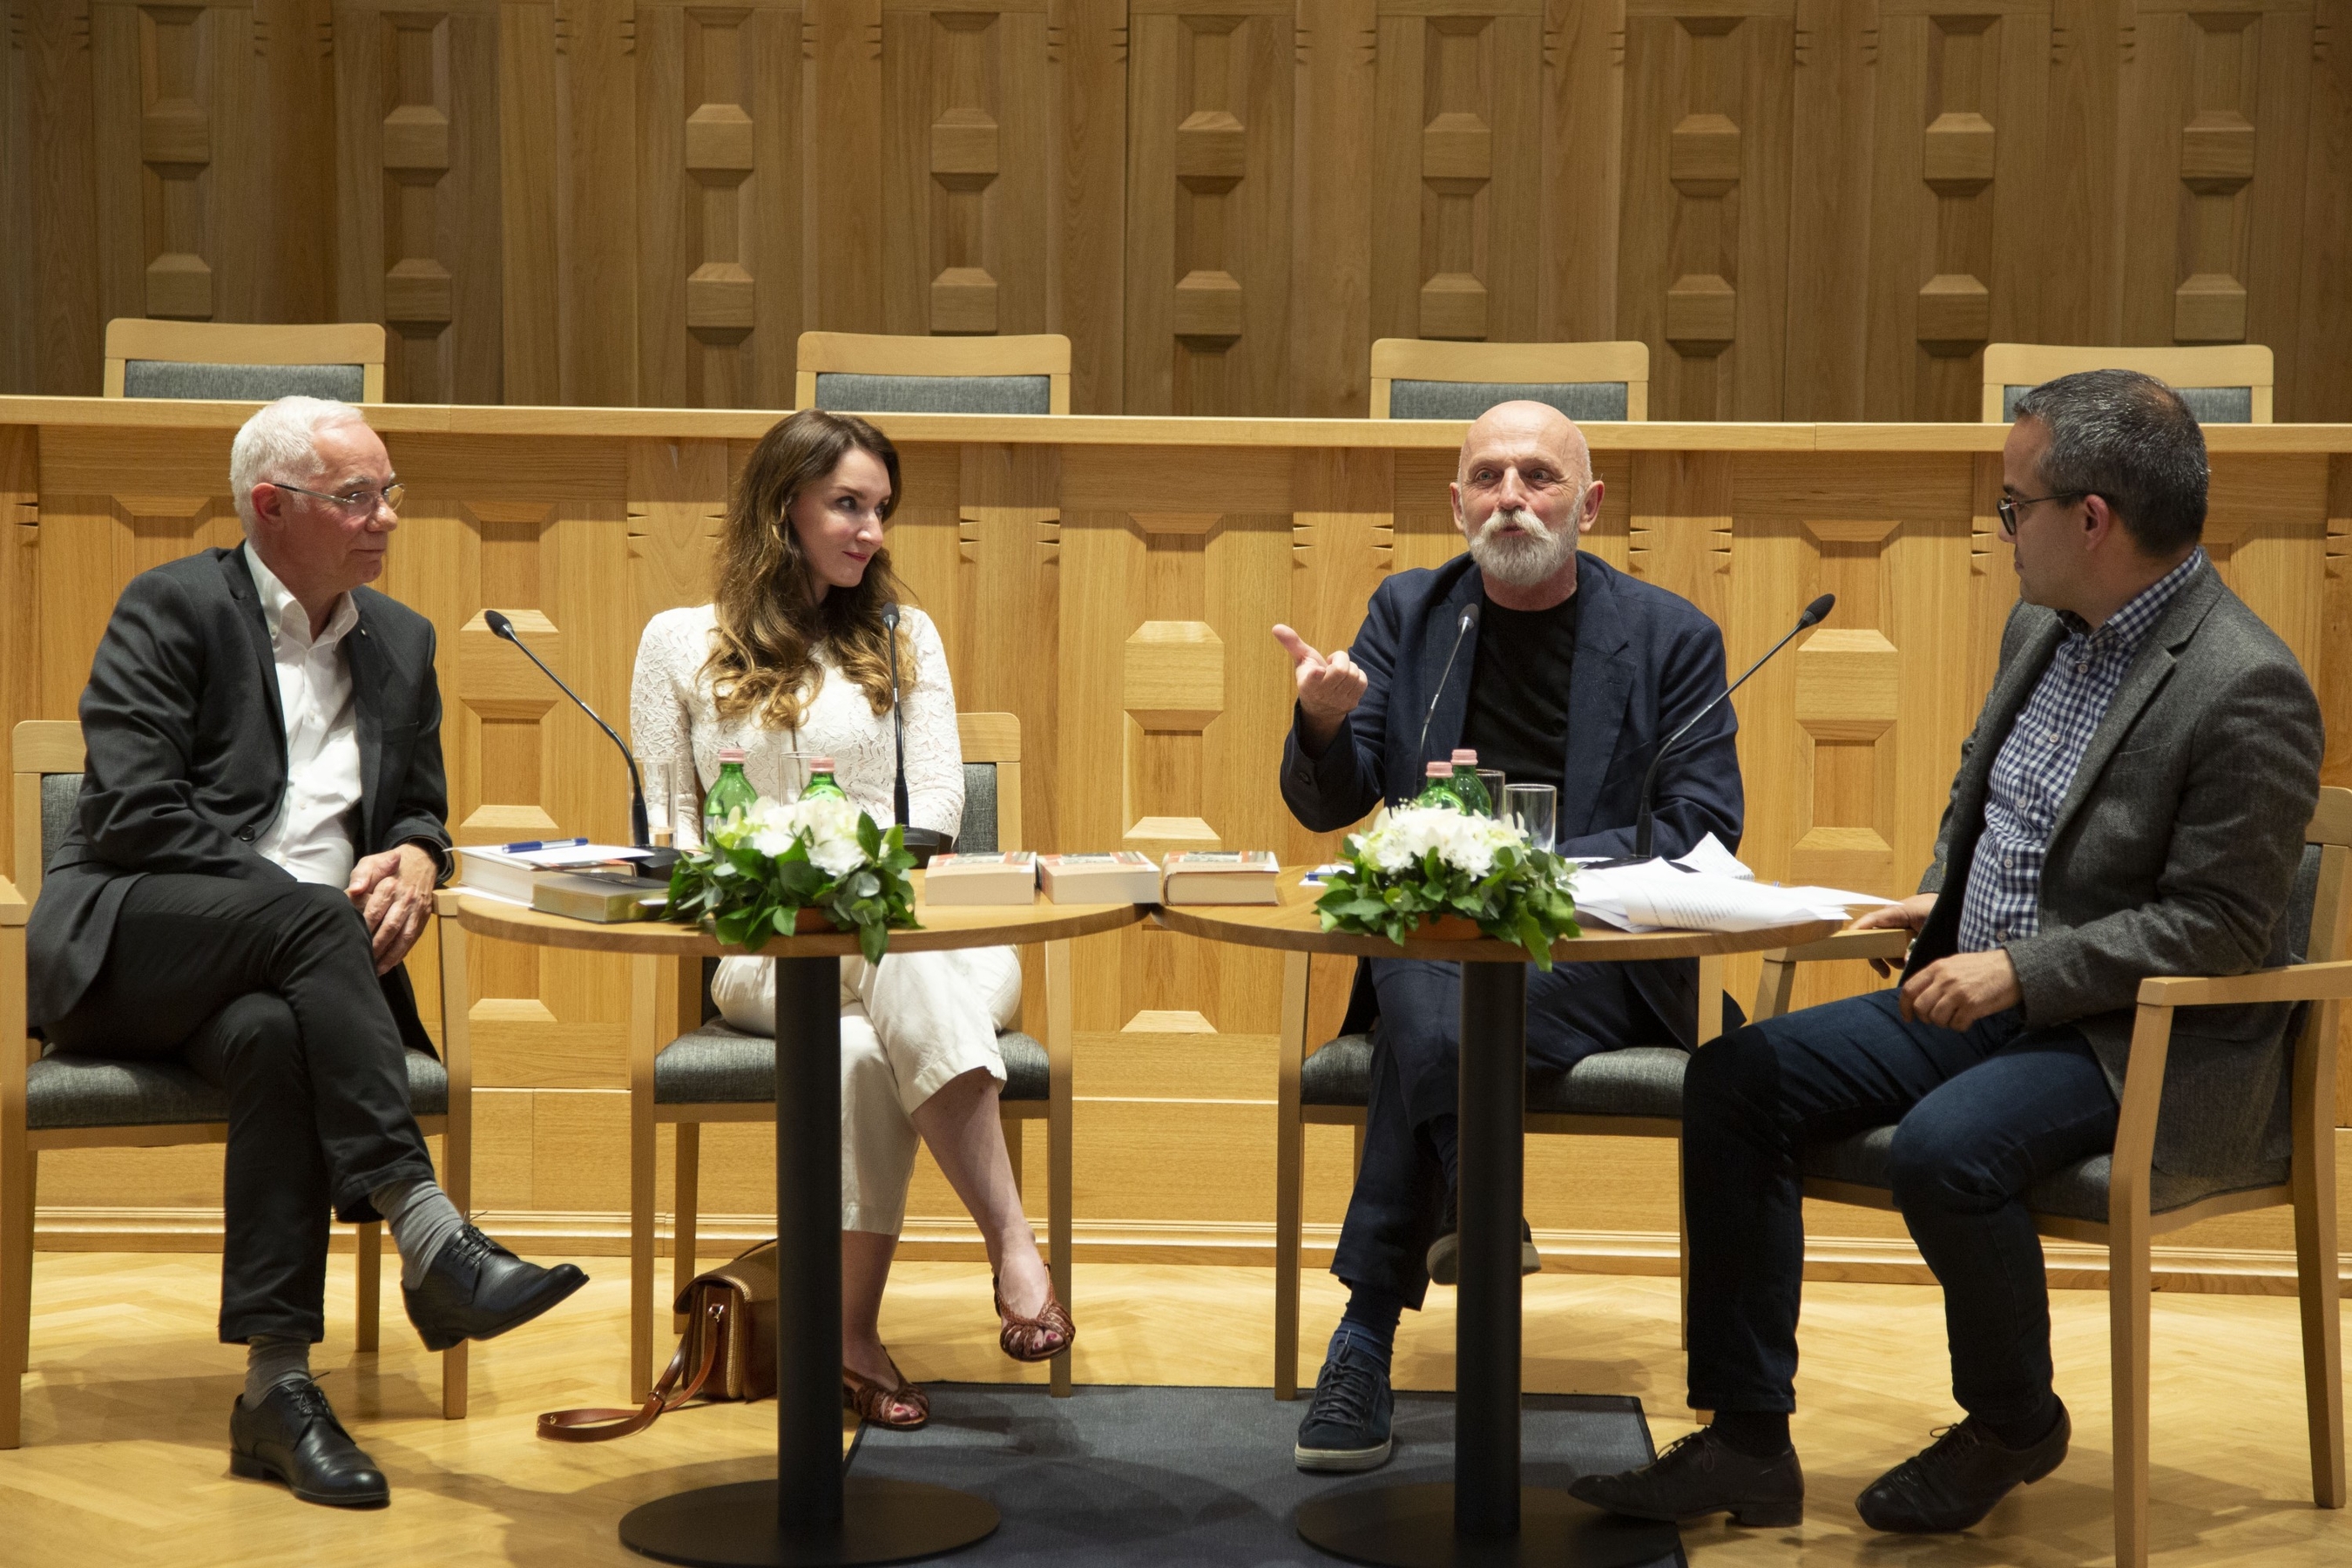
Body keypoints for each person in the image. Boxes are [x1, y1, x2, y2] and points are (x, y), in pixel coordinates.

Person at [1571, 370, 2323, 1533]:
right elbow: (1993, 795)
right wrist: (1942, 901)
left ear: (2092, 519)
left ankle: (2014, 1423)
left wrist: (2020, 968)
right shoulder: (2041, 627)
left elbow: (2219, 926)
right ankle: (1747, 1443)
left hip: (2127, 1038)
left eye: (2014, 504)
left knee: (1947, 1151)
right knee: (1736, 1078)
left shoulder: (2245, 684)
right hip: (1982, 992)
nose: (2001, 526)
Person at [26, 396, 589, 1508]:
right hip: (135, 942)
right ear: (270, 507)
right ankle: (429, 1230)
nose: (387, 517)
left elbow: (418, 810)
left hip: (290, 983)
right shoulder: (173, 607)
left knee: (272, 1034)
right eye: (357, 496)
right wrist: (309, 907)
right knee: (318, 918)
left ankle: (276, 1391)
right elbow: (134, 813)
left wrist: (420, 856)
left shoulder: (403, 642)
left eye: (389, 493)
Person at [1271, 401, 1744, 1471]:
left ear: (1590, 503)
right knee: (1422, 967)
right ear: (1457, 503)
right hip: (1438, 951)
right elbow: (1332, 802)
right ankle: (1482, 1209)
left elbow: (1702, 825)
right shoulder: (1409, 613)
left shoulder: (1670, 636)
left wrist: (1520, 870)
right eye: (1487, 477)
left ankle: (1366, 1334)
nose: (1511, 498)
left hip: (1597, 959)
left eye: (1538, 476)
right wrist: (1325, 722)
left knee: (1420, 995)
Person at [630, 409, 1070, 1433]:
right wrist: (779, 879)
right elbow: (672, 825)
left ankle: (856, 1335)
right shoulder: (678, 642)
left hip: (934, 946)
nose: (871, 531)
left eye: (881, 509)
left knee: (876, 1019)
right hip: (766, 956)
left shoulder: (902, 635)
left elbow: (939, 812)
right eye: (847, 505)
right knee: (871, 1007)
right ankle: (1011, 1243)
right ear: (781, 506)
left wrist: (854, 877)